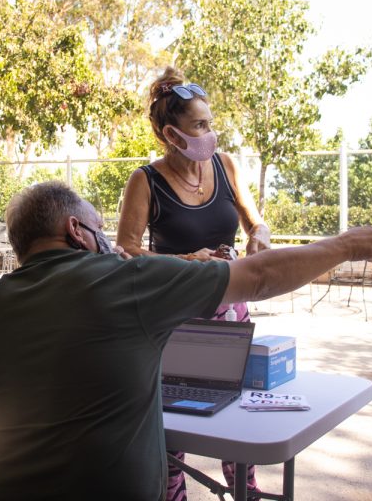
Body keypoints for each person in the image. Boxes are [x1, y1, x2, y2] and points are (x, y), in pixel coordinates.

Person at [0, 181, 372, 501]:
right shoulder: (121, 282)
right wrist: (344, 245)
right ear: (76, 231)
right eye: (99, 228)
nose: (110, 242)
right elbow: (256, 277)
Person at [116, 66, 270, 496]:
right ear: (171, 133)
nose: (210, 132)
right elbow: (125, 249)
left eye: (210, 122)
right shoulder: (144, 180)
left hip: (231, 309)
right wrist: (187, 259)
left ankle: (245, 492)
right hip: (174, 315)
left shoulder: (225, 166)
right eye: (200, 125)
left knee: (236, 416)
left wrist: (258, 237)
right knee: (174, 425)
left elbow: (255, 223)